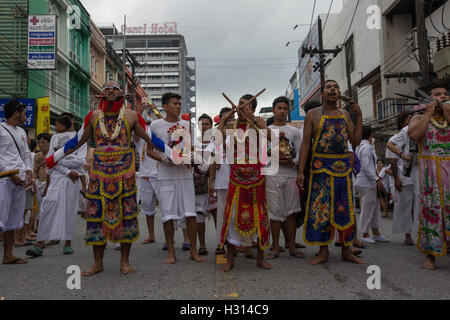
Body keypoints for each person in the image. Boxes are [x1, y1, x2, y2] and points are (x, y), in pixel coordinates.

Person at [40, 80, 161, 275]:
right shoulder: (94, 116)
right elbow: (78, 140)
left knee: (126, 216)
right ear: (101, 95)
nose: (111, 91)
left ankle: (124, 262)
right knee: (96, 217)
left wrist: (175, 154)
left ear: (121, 95)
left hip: (125, 176)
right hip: (99, 176)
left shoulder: (131, 116)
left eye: (115, 89)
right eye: (107, 89)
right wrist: (54, 158)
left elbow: (151, 138)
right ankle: (98, 263)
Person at [297, 80, 364, 265]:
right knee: (321, 209)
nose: (333, 89)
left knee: (344, 209)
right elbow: (305, 145)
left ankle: (346, 250)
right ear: (323, 94)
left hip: (342, 169)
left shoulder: (345, 115)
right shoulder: (312, 114)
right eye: (329, 87)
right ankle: (323, 251)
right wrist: (301, 171)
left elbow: (356, 141)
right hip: (320, 168)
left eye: (335, 87)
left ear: (339, 92)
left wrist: (359, 116)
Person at [218, 94, 273, 271]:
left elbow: (271, 137)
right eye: (240, 104)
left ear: (253, 108)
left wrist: (253, 120)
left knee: (260, 215)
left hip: (257, 178)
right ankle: (230, 259)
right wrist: (224, 118)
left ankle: (260, 257)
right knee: (232, 216)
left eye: (246, 105)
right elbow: (217, 139)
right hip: (236, 177)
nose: (242, 107)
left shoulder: (258, 121)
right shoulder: (231, 125)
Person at [149, 92, 203, 264]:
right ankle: (171, 252)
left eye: (180, 104)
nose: (178, 106)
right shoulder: (156, 125)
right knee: (168, 215)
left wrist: (188, 157)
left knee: (190, 213)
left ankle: (193, 251)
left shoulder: (188, 125)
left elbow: (194, 149)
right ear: (165, 107)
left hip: (185, 175)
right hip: (166, 175)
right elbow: (149, 151)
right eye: (175, 104)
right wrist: (166, 158)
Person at [27, 115, 86, 257]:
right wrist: (66, 169)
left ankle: (67, 243)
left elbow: (79, 161)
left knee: (69, 211)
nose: (56, 126)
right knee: (47, 208)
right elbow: (50, 161)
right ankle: (40, 243)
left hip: (72, 180)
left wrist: (61, 161)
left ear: (66, 125)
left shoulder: (79, 138)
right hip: (57, 178)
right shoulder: (54, 138)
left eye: (58, 124)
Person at [408, 86, 450, 270]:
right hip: (430, 174)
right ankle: (430, 256)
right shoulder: (418, 117)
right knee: (430, 213)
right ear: (429, 99)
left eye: (445, 95)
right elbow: (414, 134)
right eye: (437, 95)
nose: (442, 97)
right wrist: (428, 113)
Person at [265, 96, 304, 259]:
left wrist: (293, 162)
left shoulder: (294, 131)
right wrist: (274, 159)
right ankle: (275, 246)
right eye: (279, 108)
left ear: (287, 111)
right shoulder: (266, 131)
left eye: (284, 108)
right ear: (273, 110)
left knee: (291, 212)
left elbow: (301, 153)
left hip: (291, 175)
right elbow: (261, 155)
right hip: (272, 175)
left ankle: (292, 245)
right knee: (274, 212)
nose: (282, 111)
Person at [0, 99, 32, 264]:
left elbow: (26, 154)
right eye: (23, 112)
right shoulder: (0, 129)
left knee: (13, 219)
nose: (25, 116)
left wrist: (28, 171)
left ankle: (8, 255)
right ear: (16, 112)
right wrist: (10, 173)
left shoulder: (21, 131)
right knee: (1, 217)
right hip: (4, 179)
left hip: (20, 180)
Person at [355, 126, 390, 244]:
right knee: (368, 208)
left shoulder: (365, 147)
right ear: (370, 135)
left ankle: (376, 233)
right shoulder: (365, 148)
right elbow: (367, 166)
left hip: (368, 181)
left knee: (374, 209)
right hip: (367, 182)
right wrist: (377, 179)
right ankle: (365, 234)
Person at [386, 111, 415, 245]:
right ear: (403, 122)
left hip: (417, 171)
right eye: (410, 119)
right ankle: (407, 234)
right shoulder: (397, 137)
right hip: (404, 175)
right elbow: (393, 160)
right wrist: (397, 178)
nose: (413, 121)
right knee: (405, 206)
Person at [208, 107, 233, 255]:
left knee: (238, 211)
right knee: (222, 212)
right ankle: (221, 242)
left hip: (239, 175)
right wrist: (211, 182)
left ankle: (240, 244)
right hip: (222, 177)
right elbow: (213, 160)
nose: (229, 121)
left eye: (231, 117)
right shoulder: (216, 136)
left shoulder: (240, 132)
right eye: (225, 118)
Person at [134, 105, 159, 245]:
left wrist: (155, 110)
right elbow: (134, 123)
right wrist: (140, 111)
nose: (148, 128)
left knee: (167, 206)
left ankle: (171, 238)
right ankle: (151, 235)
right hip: (144, 175)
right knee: (148, 207)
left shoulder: (159, 138)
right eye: (146, 126)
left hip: (159, 174)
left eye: (150, 125)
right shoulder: (140, 140)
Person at [194, 114, 216, 256]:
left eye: (207, 124)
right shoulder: (193, 142)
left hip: (214, 181)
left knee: (217, 214)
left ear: (211, 126)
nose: (204, 126)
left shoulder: (216, 142)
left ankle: (222, 243)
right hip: (197, 182)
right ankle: (202, 245)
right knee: (199, 215)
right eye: (202, 124)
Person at [33, 133, 52, 233]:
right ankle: (40, 230)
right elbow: (35, 171)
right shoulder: (37, 156)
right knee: (39, 209)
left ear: (49, 143)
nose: (40, 145)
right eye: (39, 142)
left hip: (51, 185)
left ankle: (48, 231)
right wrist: (33, 181)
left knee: (48, 209)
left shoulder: (53, 155)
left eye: (43, 142)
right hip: (39, 183)